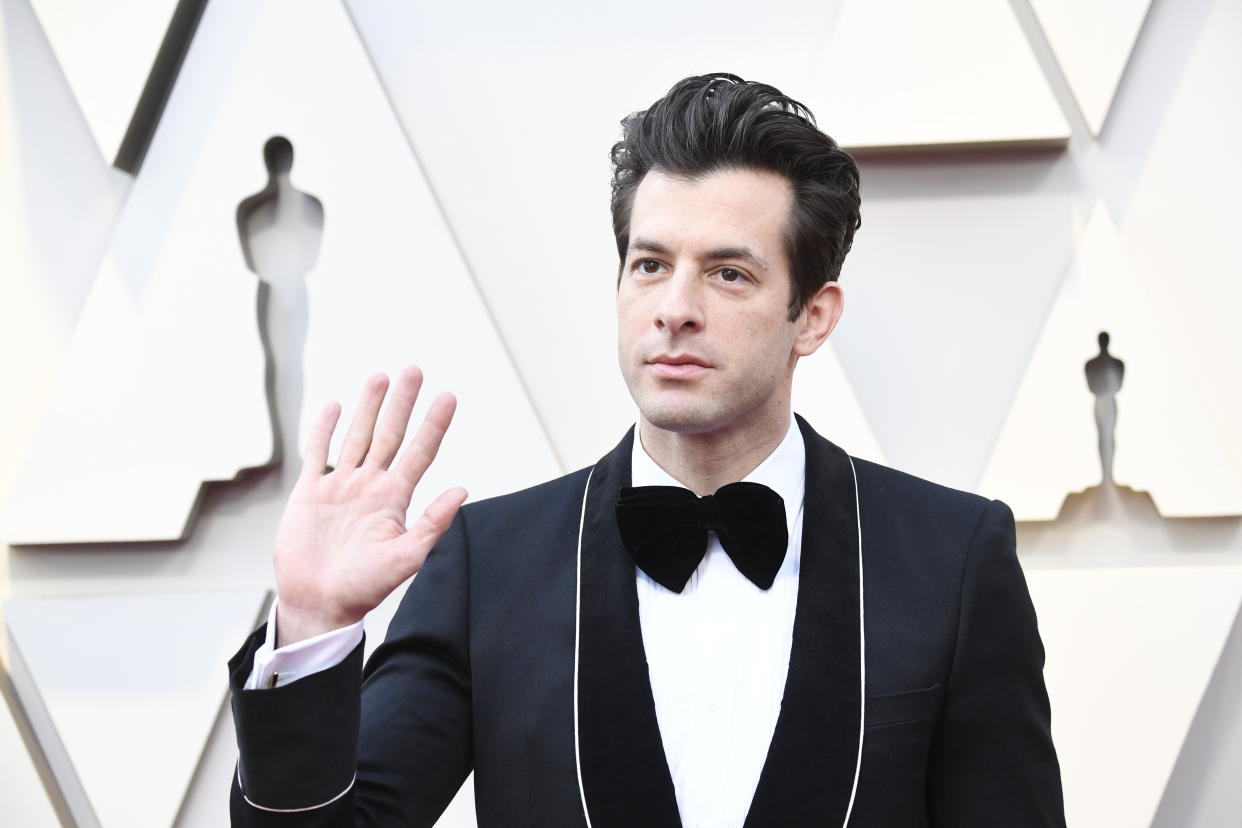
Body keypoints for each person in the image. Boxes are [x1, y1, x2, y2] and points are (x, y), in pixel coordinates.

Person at [227, 73, 1065, 827]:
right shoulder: (491, 564)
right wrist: (310, 627)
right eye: (650, 265)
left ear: (813, 315)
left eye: (728, 273)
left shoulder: (952, 558)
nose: (675, 308)